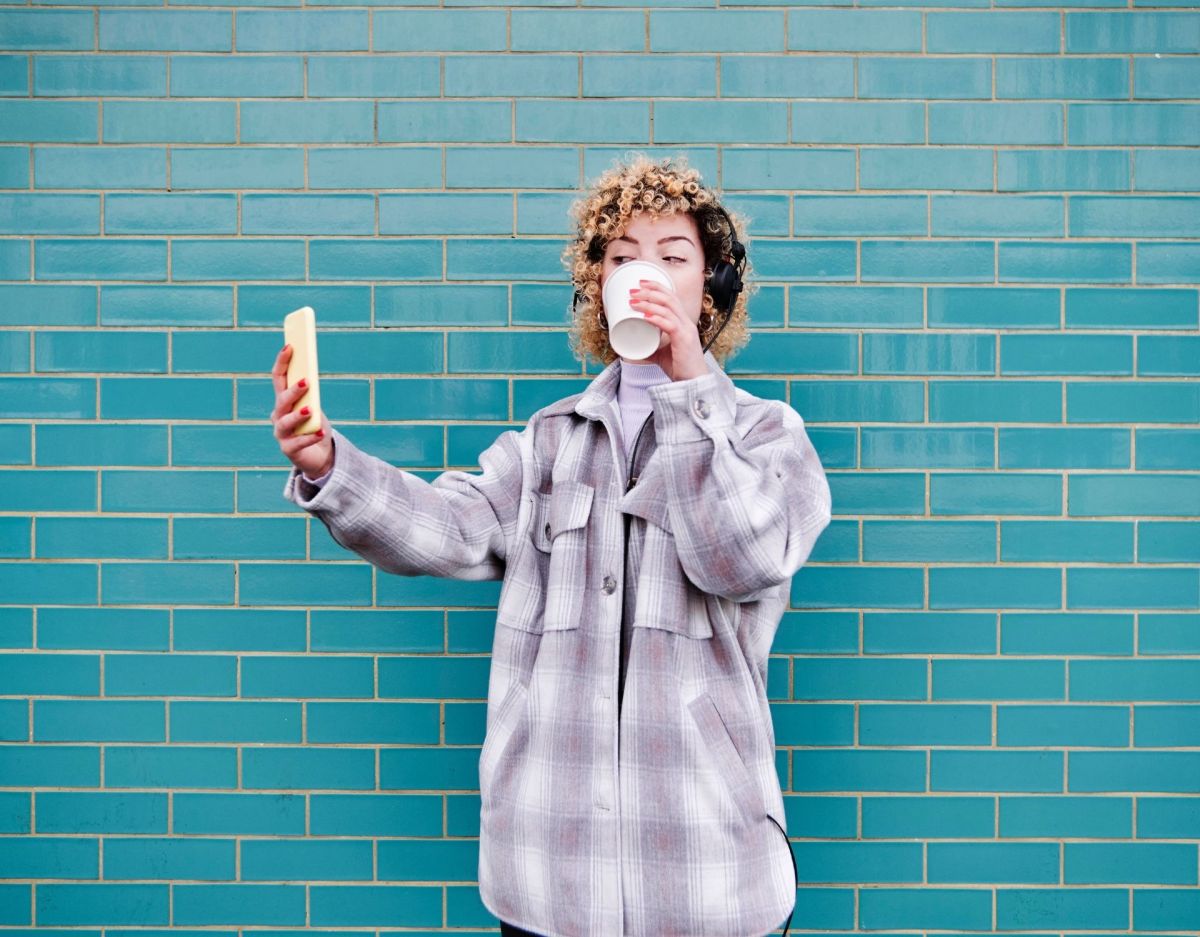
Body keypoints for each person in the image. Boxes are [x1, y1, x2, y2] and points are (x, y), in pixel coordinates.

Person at [271, 154, 833, 937]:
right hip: (549, 880)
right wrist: (330, 464)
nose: (647, 272)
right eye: (622, 255)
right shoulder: (546, 443)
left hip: (709, 880)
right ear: (595, 286)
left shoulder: (768, 437)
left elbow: (739, 558)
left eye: (674, 257)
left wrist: (686, 385)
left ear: (711, 291)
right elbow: (444, 526)